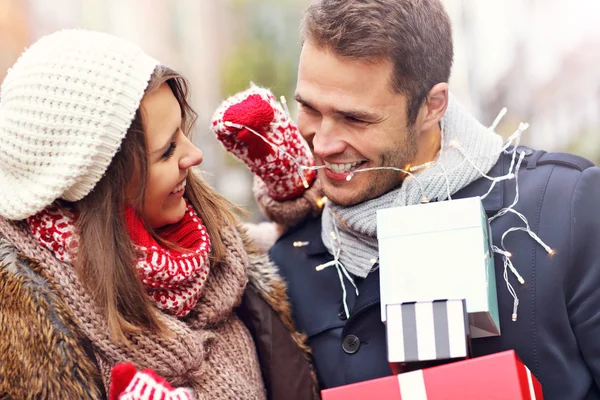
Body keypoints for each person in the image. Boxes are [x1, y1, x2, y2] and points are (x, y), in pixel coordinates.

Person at [211, 1, 600, 399]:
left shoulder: (564, 207)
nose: (323, 144)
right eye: (309, 107)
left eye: (355, 118)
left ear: (432, 106)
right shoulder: (287, 262)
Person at [0, 29, 319, 400]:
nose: (194, 155)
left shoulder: (218, 246)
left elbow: (295, 245)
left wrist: (298, 189)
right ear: (101, 187)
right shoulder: (31, 331)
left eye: (182, 133)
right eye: (167, 151)